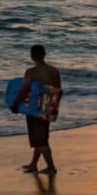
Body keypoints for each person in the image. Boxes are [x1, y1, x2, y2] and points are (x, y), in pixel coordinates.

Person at [10, 44, 61, 174]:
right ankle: (33, 164)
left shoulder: (31, 72)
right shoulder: (54, 71)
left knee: (40, 139)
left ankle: (51, 167)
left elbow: (23, 90)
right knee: (42, 136)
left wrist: (15, 104)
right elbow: (58, 91)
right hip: (48, 103)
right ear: (44, 54)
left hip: (35, 105)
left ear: (32, 56)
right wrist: (54, 107)